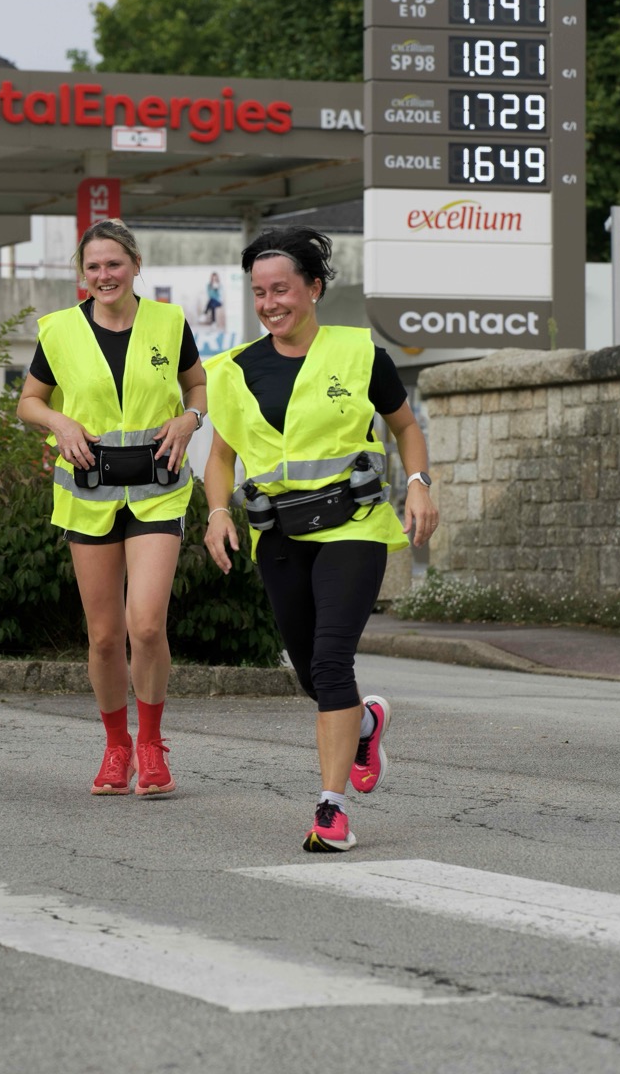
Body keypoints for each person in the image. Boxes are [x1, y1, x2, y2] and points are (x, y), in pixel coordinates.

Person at [203, 226, 438, 852]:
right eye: (259, 292)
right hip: (279, 533)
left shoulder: (360, 354)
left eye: (281, 289)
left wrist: (418, 483)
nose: (269, 303)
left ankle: (331, 809)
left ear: (313, 288)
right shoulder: (234, 370)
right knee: (310, 672)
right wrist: (217, 512)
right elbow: (221, 455)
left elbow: (405, 426)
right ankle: (364, 723)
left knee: (333, 662)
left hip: (352, 526)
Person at [17, 219, 207, 798]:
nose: (104, 275)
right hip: (89, 491)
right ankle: (116, 746)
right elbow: (28, 402)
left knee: (145, 624)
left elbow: (198, 386)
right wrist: (59, 421)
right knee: (103, 637)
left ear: (135, 265)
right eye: (94, 266)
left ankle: (151, 744)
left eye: (114, 264)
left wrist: (191, 418)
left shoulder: (169, 322)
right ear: (82, 273)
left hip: (158, 487)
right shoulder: (59, 331)